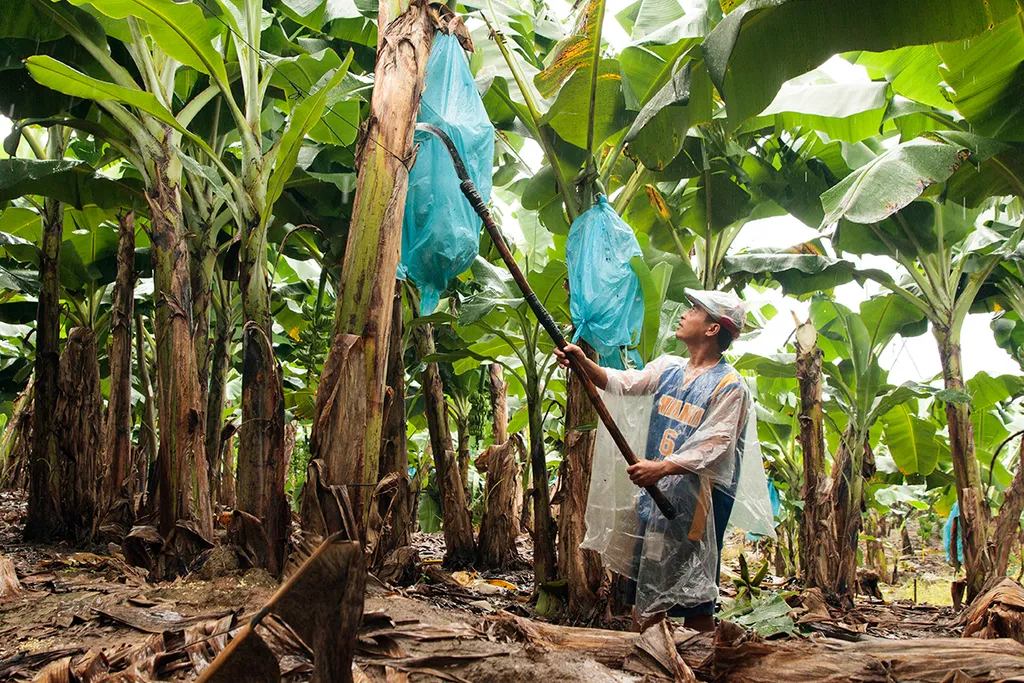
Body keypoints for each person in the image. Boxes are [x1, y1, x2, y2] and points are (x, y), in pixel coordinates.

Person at [555, 289, 764, 632]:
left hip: (698, 506)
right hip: (656, 497)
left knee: (695, 594)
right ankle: (648, 655)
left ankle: (701, 664)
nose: (685, 312)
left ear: (712, 329)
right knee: (649, 583)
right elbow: (623, 382)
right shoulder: (669, 367)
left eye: (695, 309)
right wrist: (582, 362)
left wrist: (662, 467)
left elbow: (716, 444)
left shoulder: (729, 385)